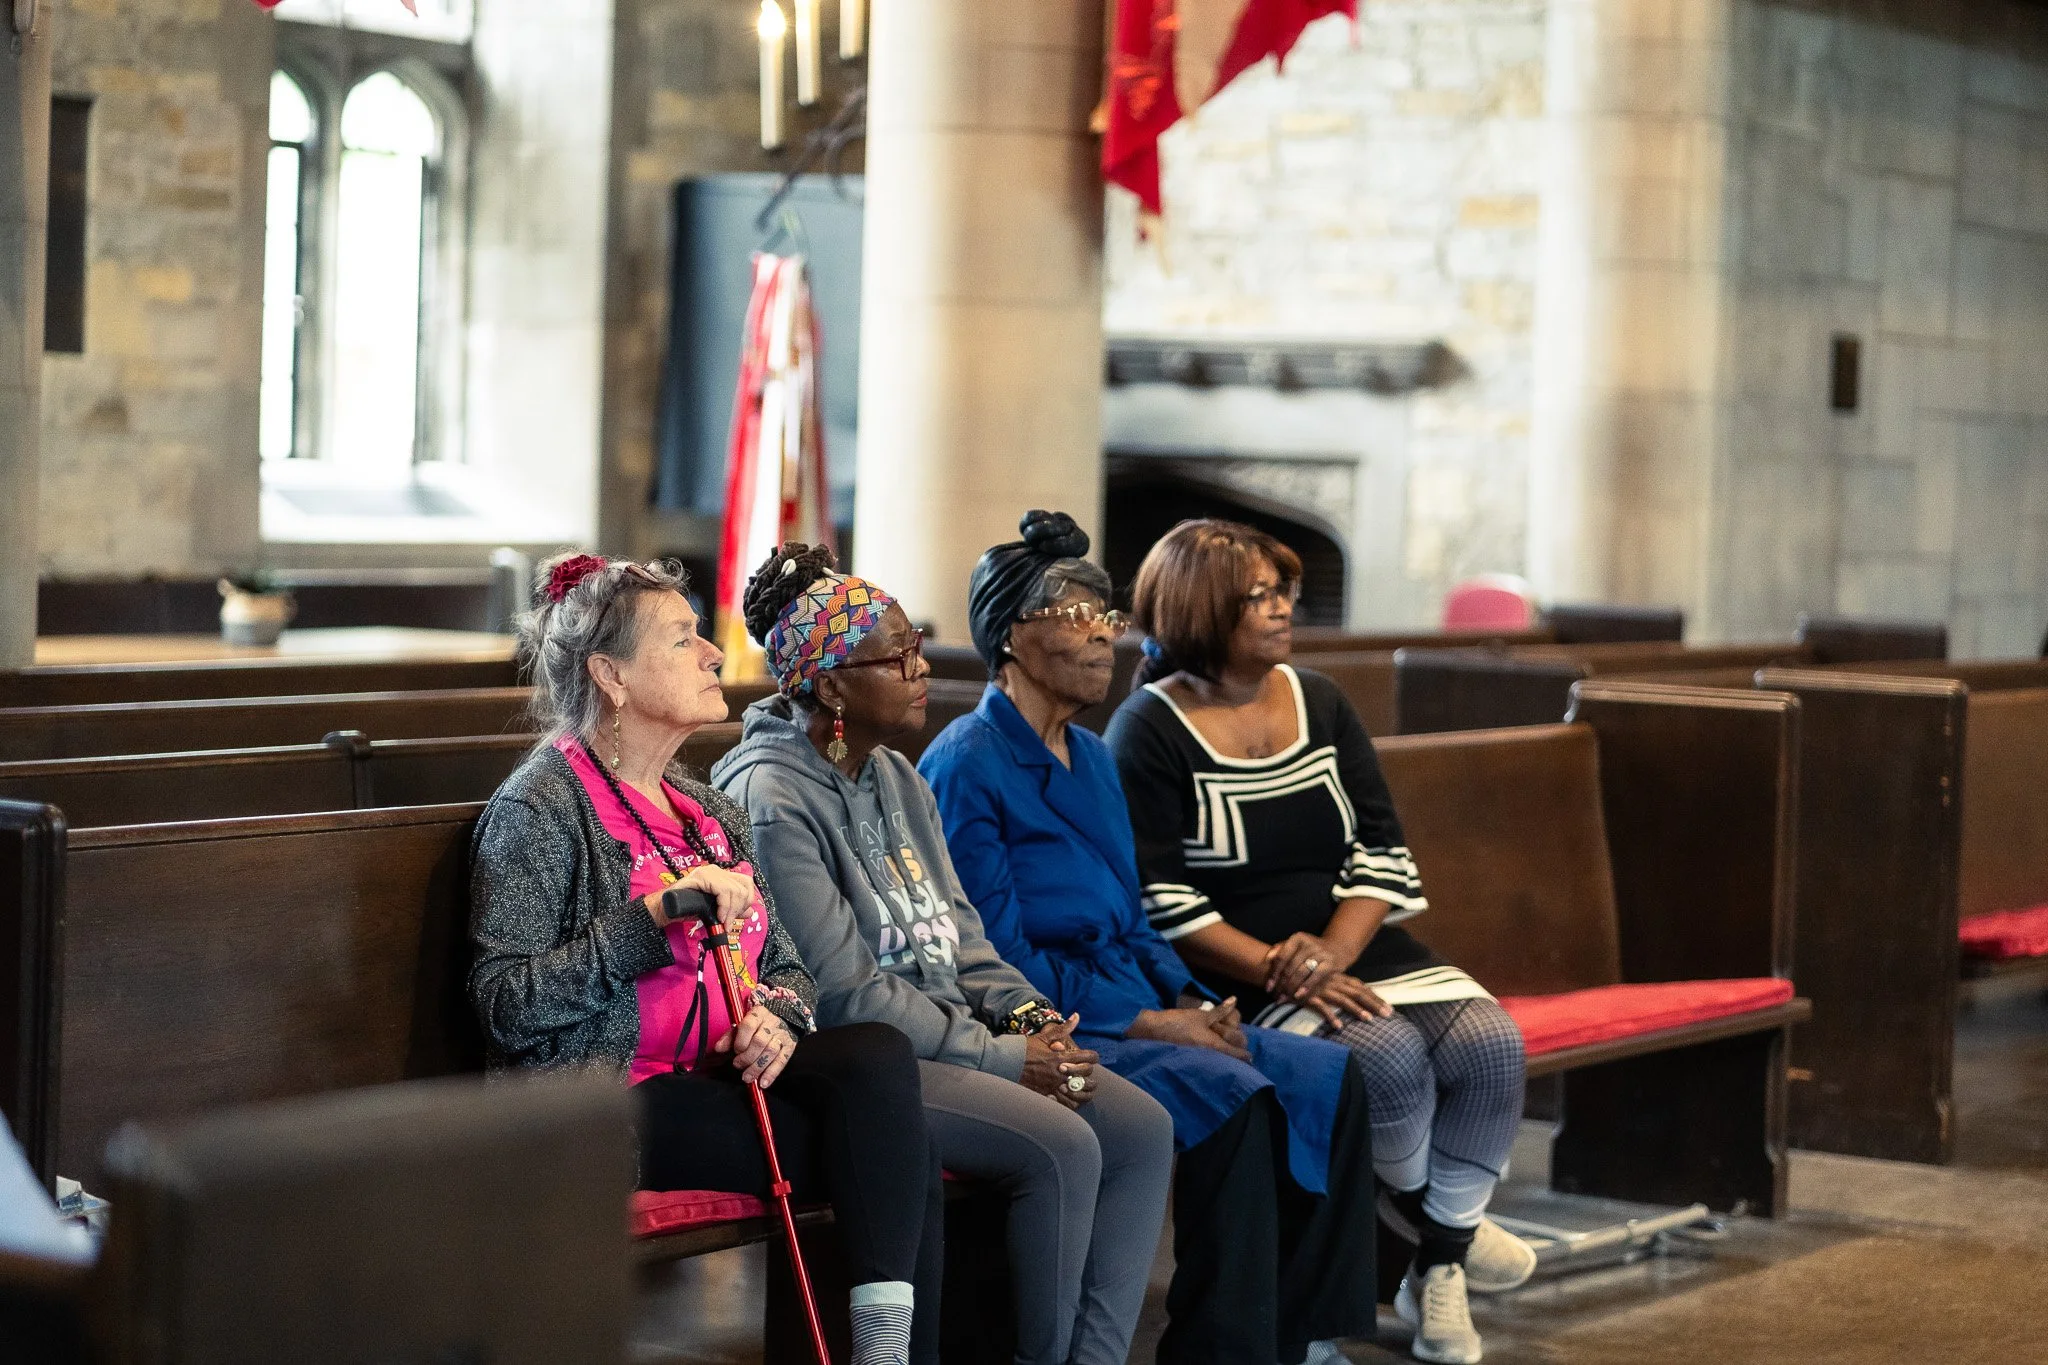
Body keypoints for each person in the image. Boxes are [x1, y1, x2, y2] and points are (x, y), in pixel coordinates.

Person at [918, 510, 1381, 1365]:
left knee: (1326, 1073)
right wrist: (1151, 1025)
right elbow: (991, 951)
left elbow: (1133, 913)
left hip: (1137, 999)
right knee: (1229, 1093)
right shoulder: (966, 760)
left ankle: (1301, 1336)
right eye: (1079, 618)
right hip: (1050, 1021)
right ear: (1012, 635)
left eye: (1110, 617)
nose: (1107, 640)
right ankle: (1222, 1347)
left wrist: (1188, 999)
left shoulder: (1091, 756)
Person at [469, 553, 942, 1365]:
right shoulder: (540, 806)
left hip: (718, 1074)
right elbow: (505, 1003)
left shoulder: (708, 810)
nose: (716, 652)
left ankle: (883, 1355)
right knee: (898, 1155)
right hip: (611, 1100)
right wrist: (650, 918)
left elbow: (790, 969)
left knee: (878, 1060)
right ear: (611, 674)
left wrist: (778, 1019)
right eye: (684, 638)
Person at [711, 544, 1176, 1365]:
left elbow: (963, 934)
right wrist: (1004, 1056)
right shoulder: (773, 797)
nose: (921, 666)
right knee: (1065, 1144)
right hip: (865, 1069)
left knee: (1141, 1126)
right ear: (828, 684)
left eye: (917, 644)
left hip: (954, 1039)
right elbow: (846, 993)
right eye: (897, 655)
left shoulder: (897, 775)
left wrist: (1032, 1017)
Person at [1106, 520, 1536, 1365]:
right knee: (1388, 1062)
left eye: (1282, 591)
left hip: (1354, 948)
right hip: (1237, 970)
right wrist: (1280, 966)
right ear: (1202, 610)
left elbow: (1380, 848)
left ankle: (1436, 1262)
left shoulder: (1321, 699)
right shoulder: (1147, 728)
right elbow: (1160, 896)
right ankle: (1444, 1228)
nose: (1281, 610)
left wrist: (1331, 952)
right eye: (1258, 596)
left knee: (1492, 1045)